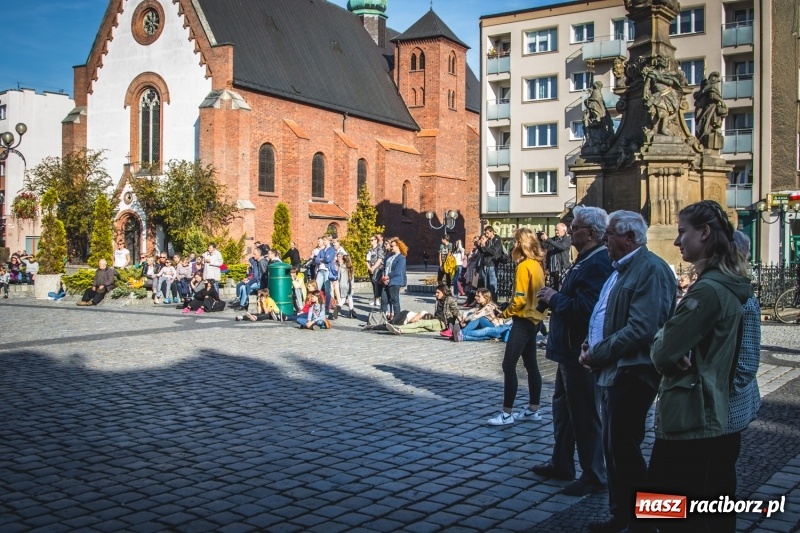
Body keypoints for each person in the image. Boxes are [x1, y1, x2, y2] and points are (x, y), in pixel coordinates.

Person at [647, 202, 753, 533]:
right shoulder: (725, 284)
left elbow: (663, 353)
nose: (677, 242)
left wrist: (664, 337)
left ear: (704, 233)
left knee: (667, 513)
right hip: (706, 411)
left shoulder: (707, 290)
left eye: (682, 232)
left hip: (690, 415)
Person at [578, 211, 677, 533]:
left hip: (634, 372)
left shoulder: (651, 269)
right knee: (617, 448)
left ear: (630, 238)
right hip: (615, 369)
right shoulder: (621, 268)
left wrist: (599, 352)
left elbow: (643, 328)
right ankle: (623, 515)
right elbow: (606, 315)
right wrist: (588, 343)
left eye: (610, 234)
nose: (605, 239)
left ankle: (644, 522)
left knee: (626, 450)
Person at [530, 206, 613, 497]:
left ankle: (593, 474)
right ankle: (562, 462)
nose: (568, 229)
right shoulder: (586, 259)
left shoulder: (598, 262)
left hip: (580, 351)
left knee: (585, 414)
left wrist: (555, 298)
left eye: (574, 226)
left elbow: (587, 310)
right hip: (566, 350)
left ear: (590, 233)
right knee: (564, 411)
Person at [486, 227, 547, 426]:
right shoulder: (537, 264)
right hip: (536, 320)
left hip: (522, 320)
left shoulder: (523, 266)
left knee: (508, 365)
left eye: (514, 242)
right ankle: (533, 409)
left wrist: (503, 314)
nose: (512, 245)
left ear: (521, 244)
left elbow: (519, 300)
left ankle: (506, 413)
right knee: (531, 366)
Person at [386, 284, 459, 335]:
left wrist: (459, 321)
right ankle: (401, 330)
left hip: (442, 323)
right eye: (436, 292)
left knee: (421, 323)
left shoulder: (450, 299)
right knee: (419, 329)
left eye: (438, 292)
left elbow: (455, 311)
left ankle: (398, 327)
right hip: (436, 320)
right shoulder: (438, 300)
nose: (436, 294)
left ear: (444, 292)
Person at [540, 223, 572, 290]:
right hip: (552, 268)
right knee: (552, 288)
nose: (556, 232)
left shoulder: (567, 239)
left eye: (557, 230)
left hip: (562, 269)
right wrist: (542, 239)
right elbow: (544, 246)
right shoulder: (553, 239)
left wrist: (548, 239)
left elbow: (561, 247)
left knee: (561, 288)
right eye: (555, 230)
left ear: (564, 230)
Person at [383, 237, 408, 321]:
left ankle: (397, 319)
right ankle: (384, 318)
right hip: (387, 281)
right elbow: (386, 268)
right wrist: (384, 276)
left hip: (395, 282)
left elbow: (397, 271)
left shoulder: (401, 258)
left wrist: (387, 276)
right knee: (385, 300)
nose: (391, 247)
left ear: (398, 246)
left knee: (395, 301)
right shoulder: (391, 256)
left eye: (392, 246)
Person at [477, 226, 503, 301]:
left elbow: (493, 252)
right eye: (485, 233)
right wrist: (479, 246)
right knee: (486, 286)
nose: (486, 234)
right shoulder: (487, 240)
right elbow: (483, 252)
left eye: (487, 233)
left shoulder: (497, 240)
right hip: (485, 264)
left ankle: (494, 302)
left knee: (492, 285)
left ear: (492, 232)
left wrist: (485, 245)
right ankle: (487, 302)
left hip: (492, 264)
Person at [337, 252, 357, 319]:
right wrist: (353, 286)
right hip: (349, 285)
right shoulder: (350, 268)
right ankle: (351, 312)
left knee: (343, 298)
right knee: (350, 297)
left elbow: (338, 277)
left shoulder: (341, 267)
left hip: (342, 285)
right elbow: (352, 278)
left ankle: (338, 307)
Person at [367, 234, 384, 308]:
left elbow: (380, 259)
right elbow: (367, 260)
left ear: (376, 240)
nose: (371, 241)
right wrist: (369, 268)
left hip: (377, 268)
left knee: (377, 283)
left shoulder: (379, 249)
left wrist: (374, 267)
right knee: (373, 284)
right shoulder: (369, 250)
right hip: (371, 269)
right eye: (370, 240)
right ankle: (375, 297)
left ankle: (378, 298)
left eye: (372, 240)